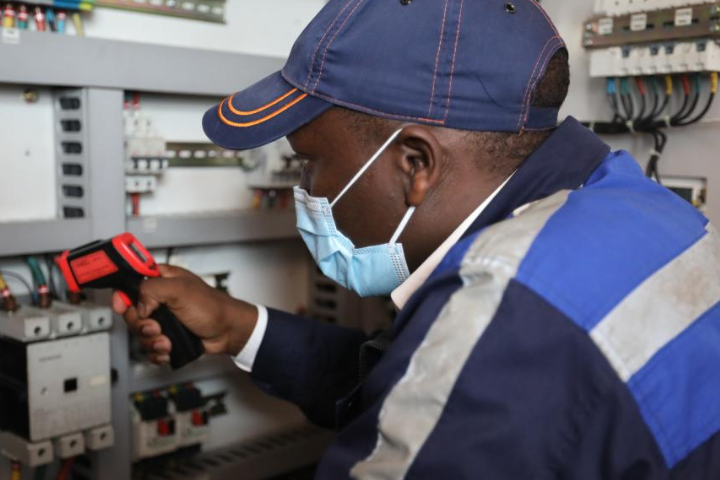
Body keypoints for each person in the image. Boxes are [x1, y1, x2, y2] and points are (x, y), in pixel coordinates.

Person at [113, 0, 720, 478]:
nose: (306, 189)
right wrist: (238, 325)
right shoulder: (640, 206)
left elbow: (463, 370)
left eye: (309, 163)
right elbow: (418, 384)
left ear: (414, 165)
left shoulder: (507, 309)